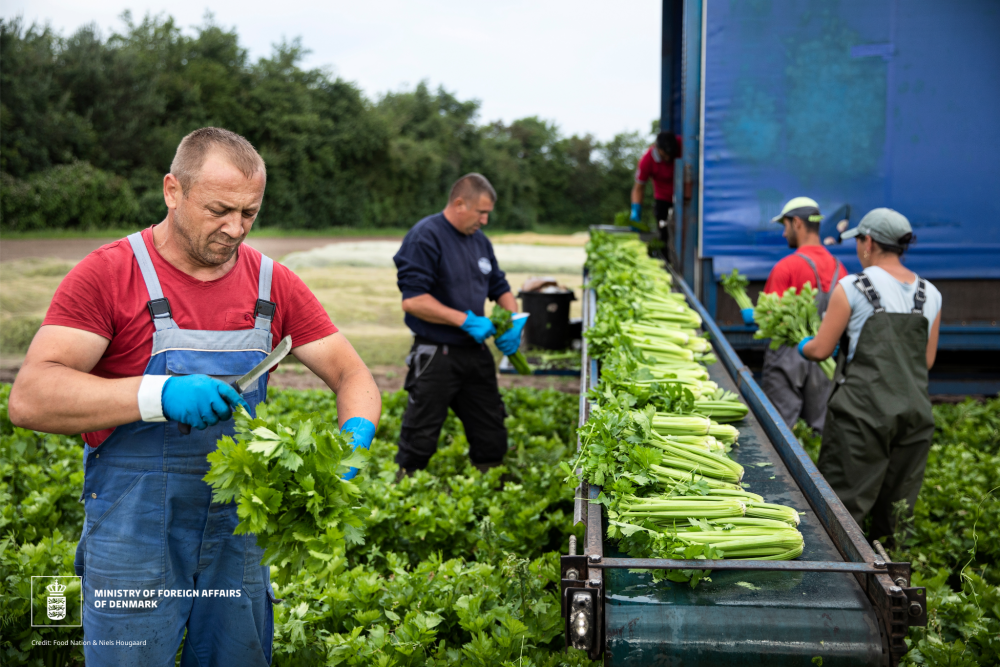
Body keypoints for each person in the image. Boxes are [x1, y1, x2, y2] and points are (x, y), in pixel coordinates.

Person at [8, 127, 381, 666]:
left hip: (238, 527)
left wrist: (354, 439)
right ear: (172, 191)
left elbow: (354, 377)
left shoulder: (272, 284)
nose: (235, 229)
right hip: (134, 530)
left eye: (250, 213)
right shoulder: (110, 274)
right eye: (219, 210)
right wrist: (159, 395)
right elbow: (30, 398)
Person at [801, 208, 941, 542]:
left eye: (858, 242)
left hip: (860, 416)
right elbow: (927, 361)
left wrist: (803, 346)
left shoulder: (852, 287)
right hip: (913, 417)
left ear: (869, 242)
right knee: (895, 512)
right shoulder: (930, 293)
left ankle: (838, 582)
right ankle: (889, 578)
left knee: (841, 509)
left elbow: (821, 350)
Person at [392, 173, 527, 478]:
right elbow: (413, 301)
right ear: (459, 203)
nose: (485, 220)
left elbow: (501, 287)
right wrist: (465, 320)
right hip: (436, 355)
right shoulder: (425, 237)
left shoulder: (480, 241)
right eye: (481, 212)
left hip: (475, 355)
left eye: (488, 213)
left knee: (491, 432)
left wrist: (514, 320)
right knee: (419, 437)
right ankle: (404, 494)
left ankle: (489, 489)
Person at [758, 196, 847, 433]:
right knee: (822, 432)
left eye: (785, 226)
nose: (784, 234)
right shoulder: (841, 269)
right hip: (826, 361)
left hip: (787, 360)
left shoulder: (787, 266)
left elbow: (767, 316)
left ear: (796, 222)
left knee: (780, 432)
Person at [631, 132, 681, 260]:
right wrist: (636, 211)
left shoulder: (682, 144)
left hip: (683, 199)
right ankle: (667, 261)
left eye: (671, 155)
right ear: (657, 149)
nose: (668, 159)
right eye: (665, 155)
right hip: (663, 199)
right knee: (664, 234)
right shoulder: (647, 160)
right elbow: (638, 188)